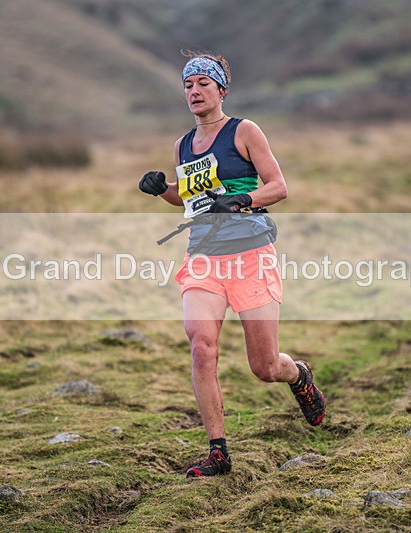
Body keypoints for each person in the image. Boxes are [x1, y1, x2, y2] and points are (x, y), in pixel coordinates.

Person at [138, 52, 326, 478]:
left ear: (221, 89)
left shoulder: (244, 131)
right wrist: (161, 188)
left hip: (250, 255)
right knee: (202, 347)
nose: (194, 91)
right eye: (187, 85)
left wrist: (244, 199)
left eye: (203, 83)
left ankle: (297, 374)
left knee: (264, 367)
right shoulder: (183, 145)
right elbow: (189, 199)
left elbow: (278, 187)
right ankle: (218, 452)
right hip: (203, 256)